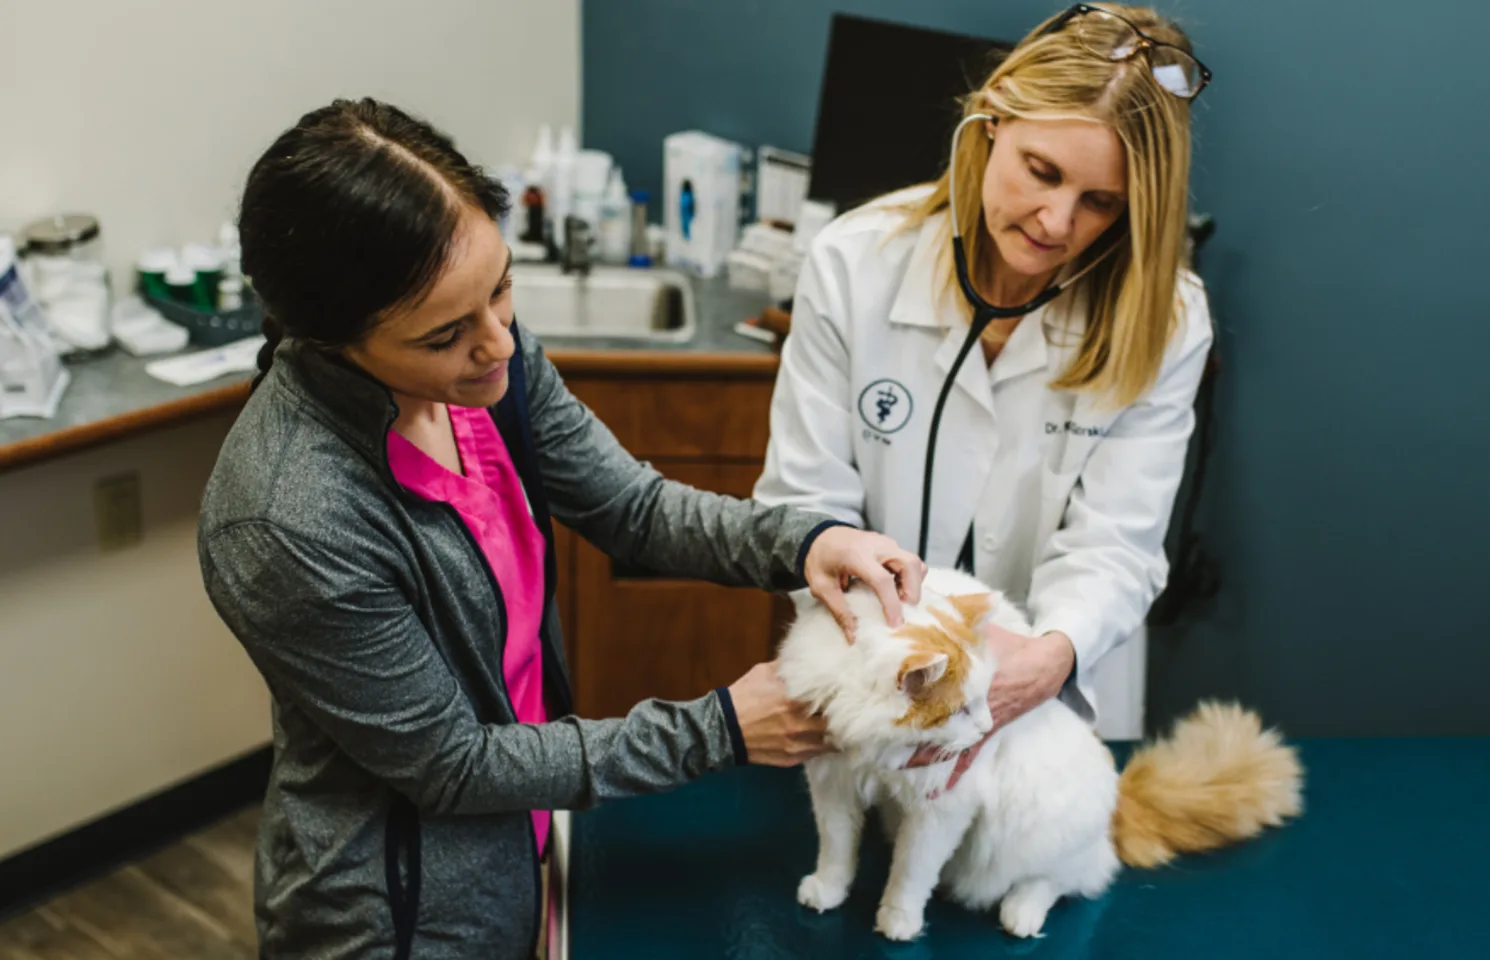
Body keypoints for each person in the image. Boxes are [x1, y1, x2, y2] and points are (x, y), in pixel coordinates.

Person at [196, 99, 924, 960]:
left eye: (501, 289)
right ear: (332, 339)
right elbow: (452, 763)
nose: (500, 343)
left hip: (526, 842)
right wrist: (720, 729)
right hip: (396, 916)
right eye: (447, 333)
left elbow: (634, 508)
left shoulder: (483, 367)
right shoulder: (287, 520)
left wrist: (802, 544)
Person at [754, 3, 1214, 785]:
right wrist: (889, 673)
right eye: (1042, 171)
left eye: (1101, 202)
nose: (1057, 220)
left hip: (1046, 700)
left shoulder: (1165, 320)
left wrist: (1042, 664)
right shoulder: (854, 264)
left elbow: (1116, 543)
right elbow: (806, 507)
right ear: (992, 118)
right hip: (878, 684)